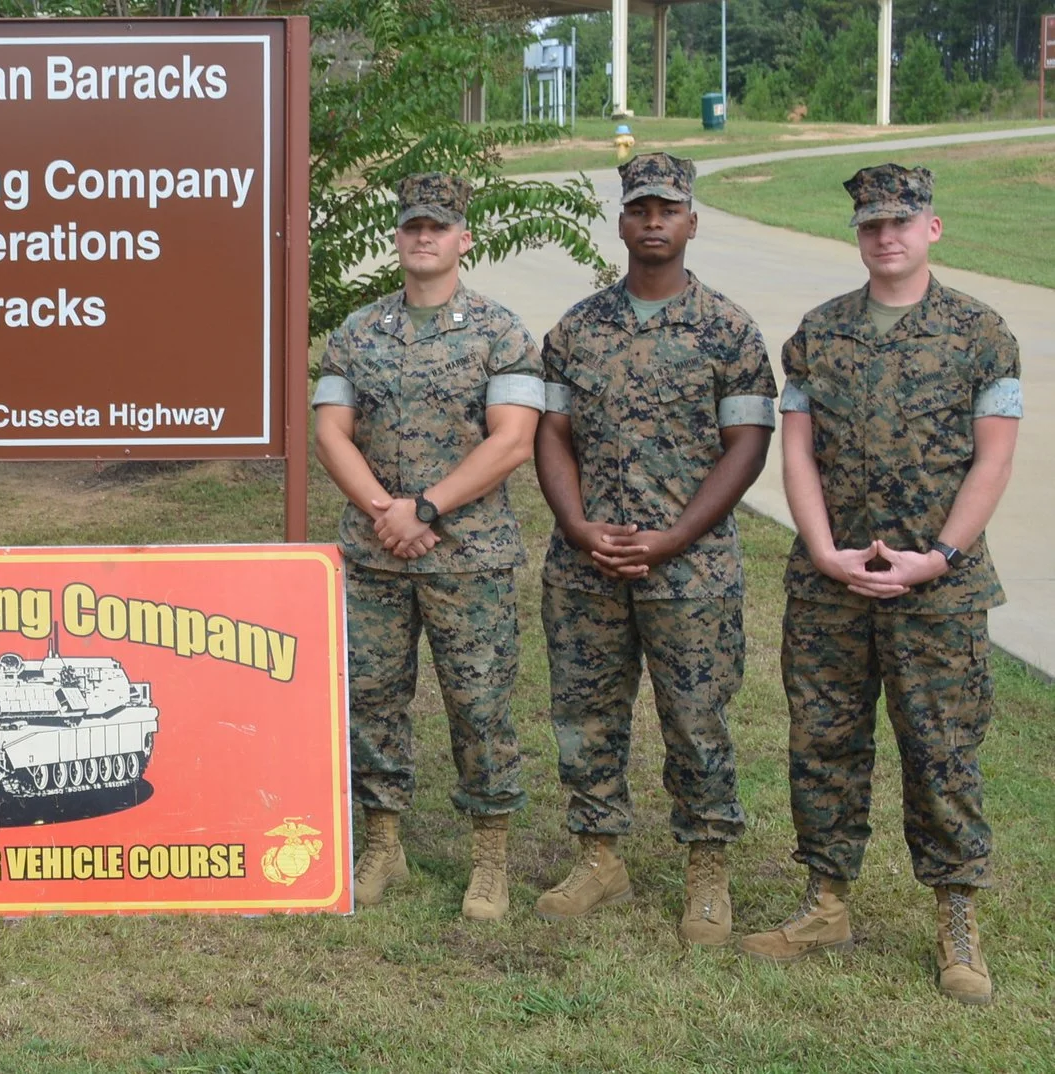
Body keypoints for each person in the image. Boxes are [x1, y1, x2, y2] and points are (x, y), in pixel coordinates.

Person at [736, 163, 1020, 1006]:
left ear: (932, 228)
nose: (885, 236)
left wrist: (939, 554)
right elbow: (795, 449)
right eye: (870, 225)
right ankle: (826, 900)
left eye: (901, 222)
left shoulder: (981, 333)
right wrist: (822, 549)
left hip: (939, 588)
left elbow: (994, 456)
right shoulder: (818, 335)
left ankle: (957, 916)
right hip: (831, 584)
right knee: (823, 743)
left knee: (941, 750)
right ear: (857, 235)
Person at [528, 153, 773, 945]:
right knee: (585, 713)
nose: (655, 221)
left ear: (692, 222)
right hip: (587, 565)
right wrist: (573, 524)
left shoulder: (728, 328)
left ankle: (706, 869)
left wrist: (674, 537)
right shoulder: (577, 329)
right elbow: (552, 434)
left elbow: (747, 445)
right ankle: (599, 855)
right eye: (641, 209)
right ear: (623, 221)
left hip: (689, 570)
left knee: (696, 720)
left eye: (669, 209)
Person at [312, 173, 541, 922]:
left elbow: (512, 442)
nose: (423, 238)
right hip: (377, 554)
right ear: (397, 238)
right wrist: (387, 512)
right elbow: (330, 432)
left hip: (468, 557)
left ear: (463, 240)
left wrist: (429, 508)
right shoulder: (355, 332)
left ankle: (490, 857)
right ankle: (383, 842)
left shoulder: (499, 333)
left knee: (479, 703)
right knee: (372, 699)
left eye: (437, 228)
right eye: (412, 226)